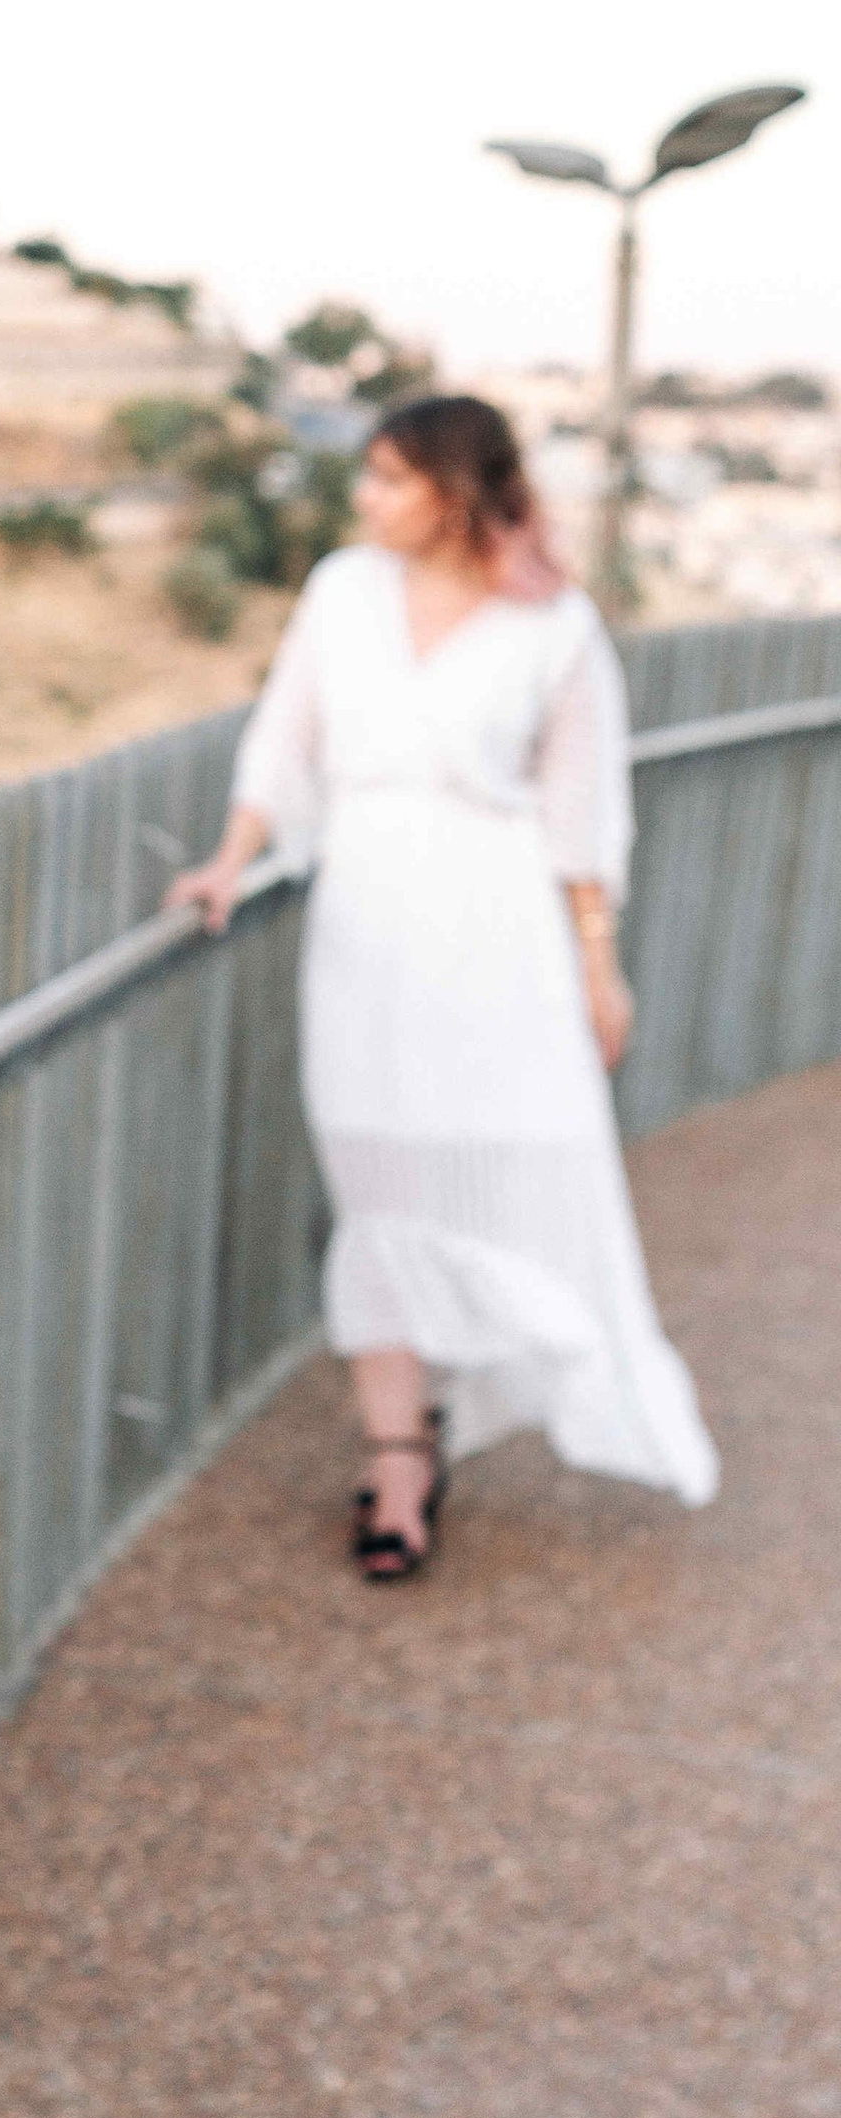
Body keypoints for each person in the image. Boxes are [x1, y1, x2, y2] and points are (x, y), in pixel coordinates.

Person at [170, 392, 716, 1578]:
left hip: (499, 933)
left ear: (454, 493)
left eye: (386, 477)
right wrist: (230, 857)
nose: (362, 498)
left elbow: (581, 814)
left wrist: (597, 969)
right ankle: (396, 1458)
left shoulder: (554, 626)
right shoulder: (340, 591)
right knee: (379, 1187)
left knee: (502, 1167)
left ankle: (479, 1391)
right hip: (367, 925)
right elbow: (282, 738)